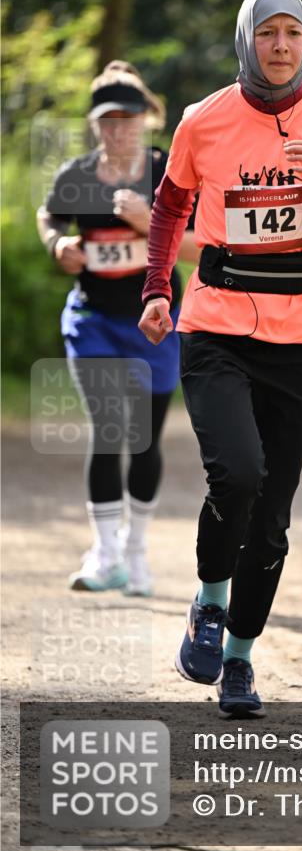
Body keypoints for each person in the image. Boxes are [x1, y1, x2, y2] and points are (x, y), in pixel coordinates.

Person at [139, 0, 302, 718]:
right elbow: (168, 207)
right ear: (246, 39)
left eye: (294, 33)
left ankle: (241, 660)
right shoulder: (204, 120)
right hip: (214, 324)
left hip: (298, 335)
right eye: (269, 33)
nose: (281, 46)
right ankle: (209, 603)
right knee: (238, 474)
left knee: (273, 517)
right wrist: (159, 288)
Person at [37, 61, 199, 595]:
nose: (118, 129)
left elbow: (201, 248)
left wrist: (146, 221)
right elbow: (50, 214)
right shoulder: (78, 176)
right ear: (95, 124)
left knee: (144, 438)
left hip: (155, 322)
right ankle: (105, 555)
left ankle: (136, 551)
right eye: (108, 120)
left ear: (147, 121)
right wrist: (58, 244)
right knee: (110, 432)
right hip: (95, 320)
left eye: (129, 119)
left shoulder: (166, 174)